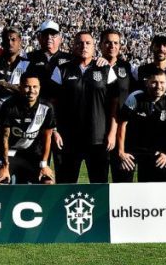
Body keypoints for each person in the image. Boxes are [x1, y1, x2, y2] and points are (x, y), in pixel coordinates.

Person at [50, 31, 118, 184]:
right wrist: (54, 130)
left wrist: (112, 132)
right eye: (80, 43)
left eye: (88, 43)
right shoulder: (61, 70)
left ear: (94, 47)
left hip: (98, 138)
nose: (84, 46)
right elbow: (52, 104)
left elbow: (114, 103)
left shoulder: (105, 69)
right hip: (68, 139)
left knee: (99, 186)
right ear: (73, 46)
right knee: (65, 186)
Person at [116, 69, 166, 183]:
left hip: (156, 151)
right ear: (147, 83)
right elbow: (122, 125)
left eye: (162, 82)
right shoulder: (136, 97)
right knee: (124, 181)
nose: (158, 86)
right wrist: (121, 152)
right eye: (154, 82)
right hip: (132, 148)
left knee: (163, 183)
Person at [0, 71, 55, 184]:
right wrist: (5, 165)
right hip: (11, 153)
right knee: (1, 181)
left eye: (35, 87)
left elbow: (48, 137)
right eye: (27, 87)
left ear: (40, 87)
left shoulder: (47, 107)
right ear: (20, 87)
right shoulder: (9, 106)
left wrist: (44, 164)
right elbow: (4, 138)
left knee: (48, 182)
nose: (31, 90)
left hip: (33, 155)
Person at [100, 28, 138, 183]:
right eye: (108, 42)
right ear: (101, 45)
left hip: (124, 133)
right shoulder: (93, 66)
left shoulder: (129, 69)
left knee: (123, 181)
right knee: (99, 181)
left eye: (116, 43)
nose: (112, 46)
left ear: (120, 46)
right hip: (99, 130)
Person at [25, 20, 72, 94]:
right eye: (45, 34)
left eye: (53, 34)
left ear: (60, 39)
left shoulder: (70, 59)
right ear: (39, 38)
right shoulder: (28, 57)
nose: (49, 37)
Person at [0, 27, 29, 97]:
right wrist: (16, 87)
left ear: (20, 42)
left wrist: (6, 85)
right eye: (7, 40)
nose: (10, 43)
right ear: (2, 43)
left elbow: (27, 90)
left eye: (13, 40)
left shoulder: (27, 65)